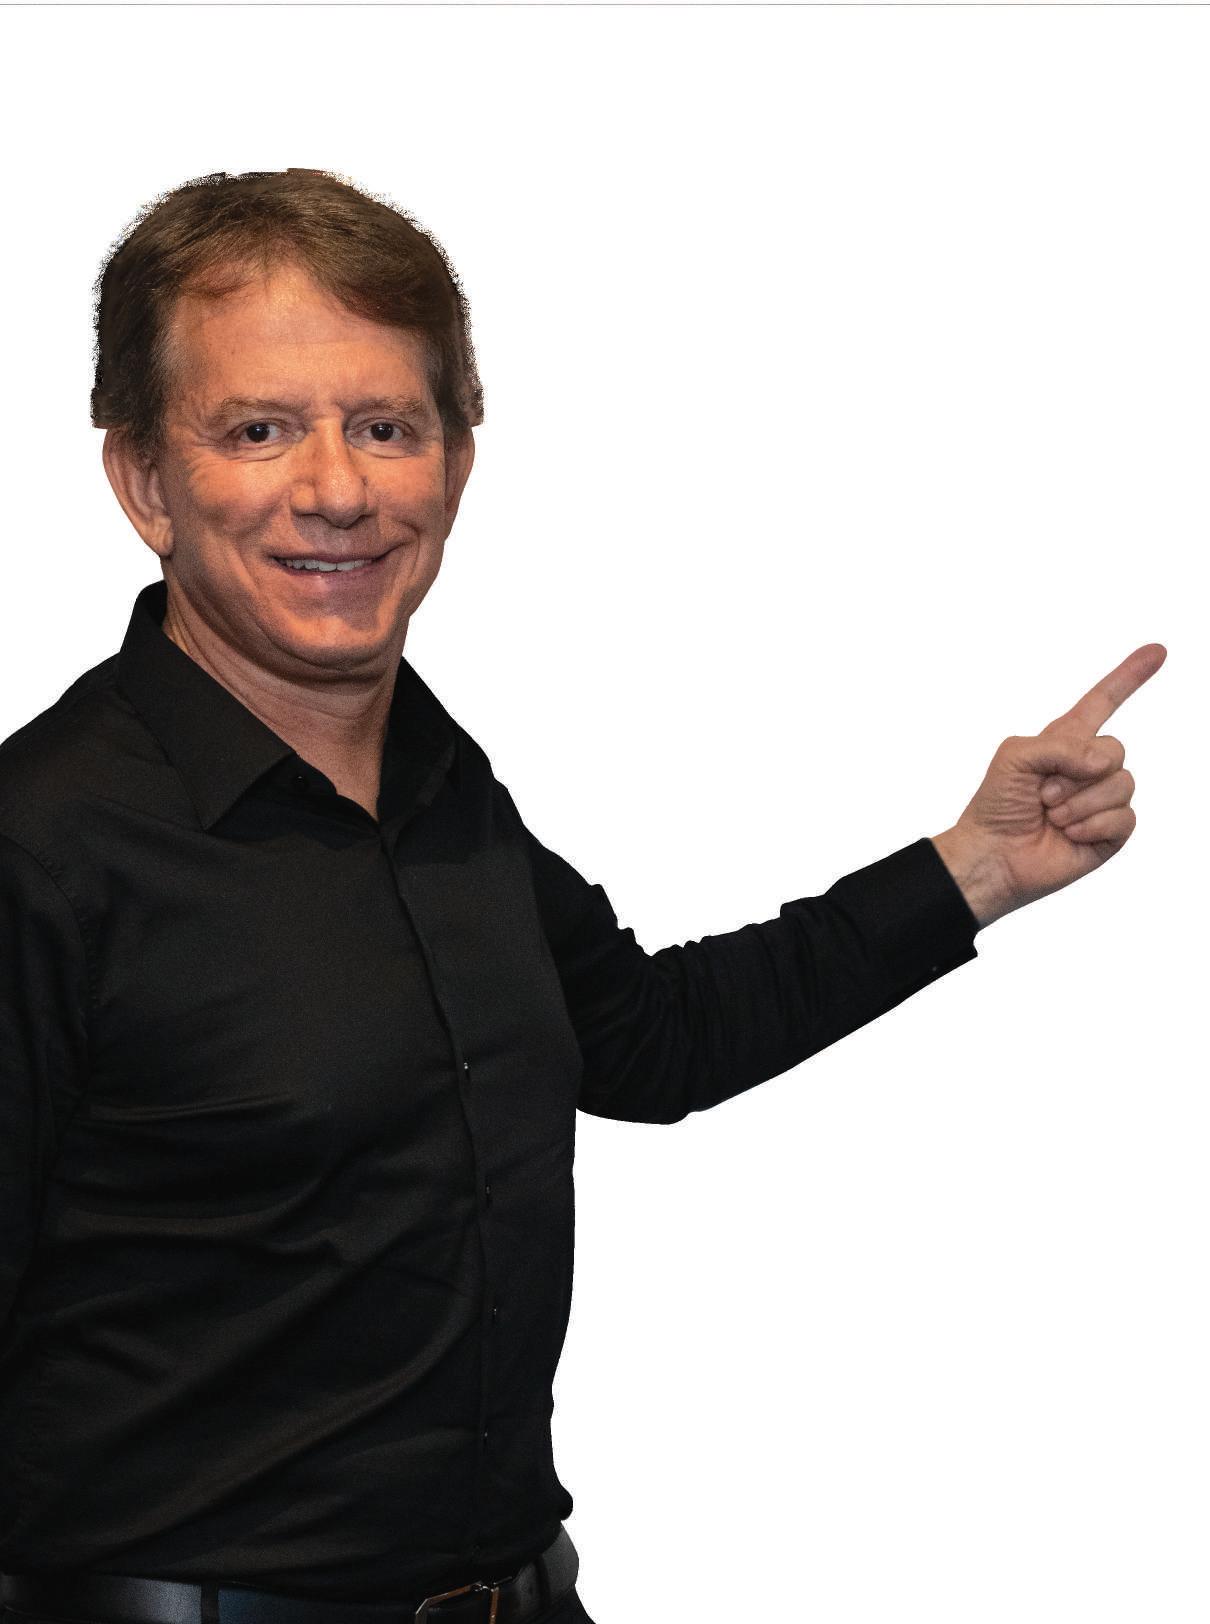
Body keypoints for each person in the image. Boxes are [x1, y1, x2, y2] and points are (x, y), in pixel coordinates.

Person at [0, 167, 1162, 1624]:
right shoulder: (43, 847)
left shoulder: (440, 788)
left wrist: (974, 868)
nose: (338, 489)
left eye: (386, 427)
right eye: (259, 429)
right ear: (142, 481)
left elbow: (648, 1041)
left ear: (456, 465)